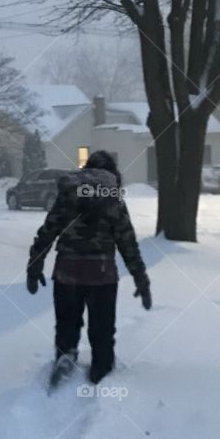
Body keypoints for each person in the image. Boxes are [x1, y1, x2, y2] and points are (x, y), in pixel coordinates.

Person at [26, 151, 151, 384]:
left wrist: (34, 266)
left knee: (67, 323)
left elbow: (48, 231)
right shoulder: (112, 197)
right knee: (102, 327)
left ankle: (66, 356)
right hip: (101, 273)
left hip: (67, 270)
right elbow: (127, 241)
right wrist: (140, 278)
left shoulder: (67, 194)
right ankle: (101, 367)